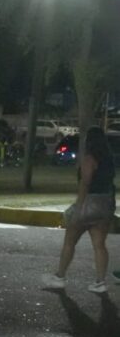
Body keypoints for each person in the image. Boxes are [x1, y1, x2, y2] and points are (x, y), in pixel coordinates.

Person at [41, 125, 116, 294]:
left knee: (70, 241)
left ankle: (60, 277)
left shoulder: (89, 158)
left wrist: (78, 206)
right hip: (104, 204)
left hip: (89, 203)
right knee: (99, 245)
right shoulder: (108, 160)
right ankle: (100, 282)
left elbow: (85, 182)